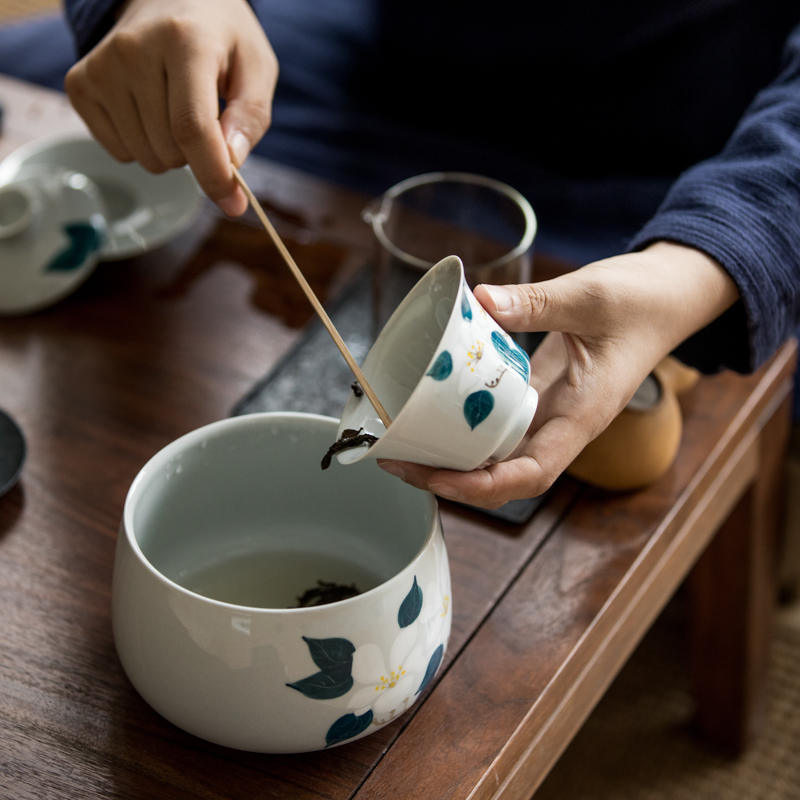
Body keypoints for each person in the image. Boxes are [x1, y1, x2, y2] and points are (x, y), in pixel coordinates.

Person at [2, 0, 799, 508]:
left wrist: (691, 263)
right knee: (50, 82)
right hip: (386, 66)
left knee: (619, 440)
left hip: (685, 152)